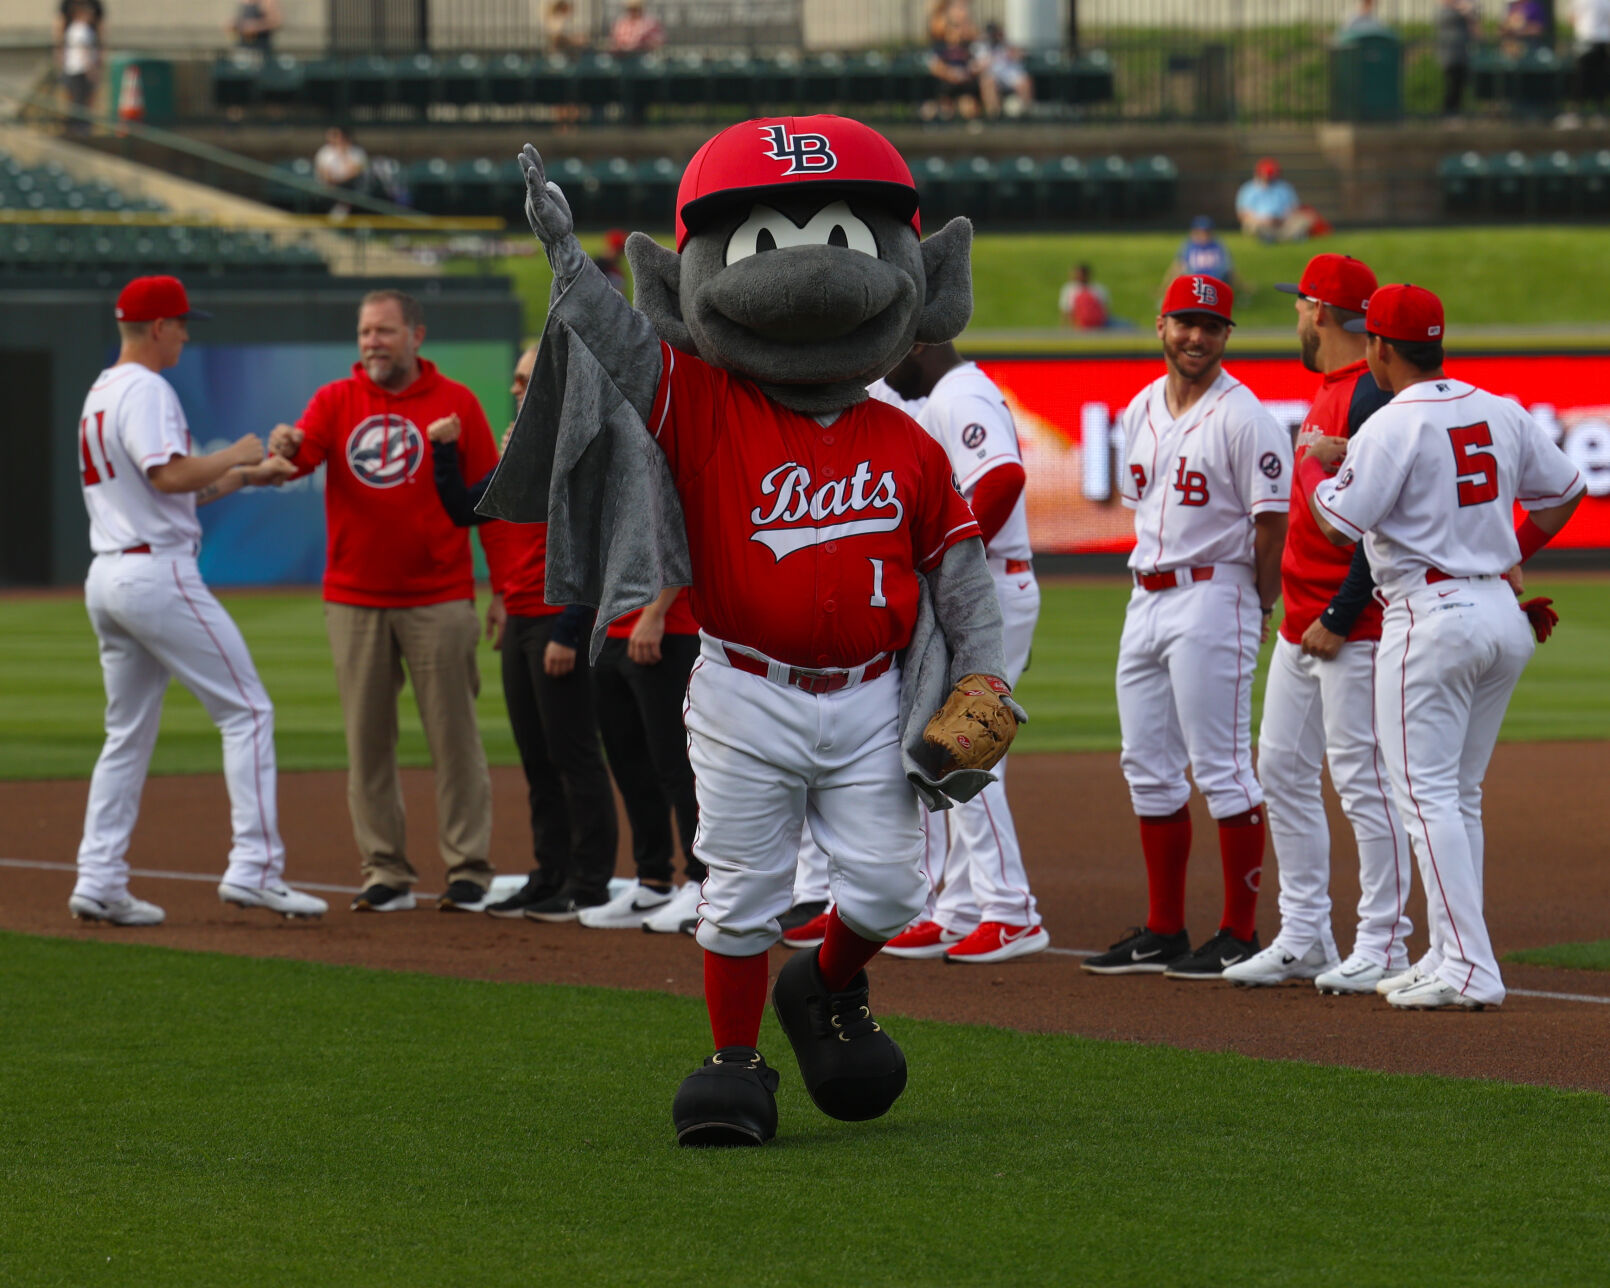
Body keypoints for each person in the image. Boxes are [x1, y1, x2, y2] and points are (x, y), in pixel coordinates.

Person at [498, 121, 1018, 1145]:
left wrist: (987, 674)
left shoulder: (902, 441)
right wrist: (565, 258)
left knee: (890, 890)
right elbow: (621, 340)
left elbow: (959, 573)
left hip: (873, 694)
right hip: (744, 690)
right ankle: (733, 1062)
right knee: (737, 894)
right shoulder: (701, 403)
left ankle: (819, 985)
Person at [1310, 283, 1585, 1009]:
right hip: (1500, 610)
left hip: (1430, 615)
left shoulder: (1392, 423)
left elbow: (1338, 526)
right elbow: (1566, 491)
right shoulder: (1496, 406)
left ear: (1379, 347)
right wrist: (1515, 549)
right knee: (1457, 797)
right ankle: (1447, 953)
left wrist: (1319, 463)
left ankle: (1469, 967)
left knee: (1427, 798)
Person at [69, 275, 327, 926]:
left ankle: (99, 879)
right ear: (156, 327)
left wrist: (245, 475)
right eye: (181, 322)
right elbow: (170, 473)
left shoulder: (102, 391)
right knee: (248, 713)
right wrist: (236, 451)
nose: (187, 332)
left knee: (125, 736)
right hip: (155, 573)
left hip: (110, 573)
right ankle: (256, 869)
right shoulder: (149, 389)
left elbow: (164, 490)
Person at [267, 290, 515, 914]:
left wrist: (505, 590)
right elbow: (300, 458)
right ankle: (384, 870)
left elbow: (492, 500)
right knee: (366, 743)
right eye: (364, 333)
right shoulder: (334, 400)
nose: (372, 342)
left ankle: (469, 871)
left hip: (439, 596)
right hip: (355, 598)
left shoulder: (455, 401)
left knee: (455, 741)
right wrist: (288, 446)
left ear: (416, 335)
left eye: (384, 330)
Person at [1083, 274, 1291, 981]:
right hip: (1146, 597)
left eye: (1211, 325)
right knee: (1146, 766)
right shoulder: (1142, 406)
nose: (1196, 336)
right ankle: (1165, 929)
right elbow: (1137, 500)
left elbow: (1272, 528)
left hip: (1215, 594)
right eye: (1185, 322)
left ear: (1228, 335)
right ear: (1161, 325)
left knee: (1225, 769)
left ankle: (1239, 930)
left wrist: (1258, 609)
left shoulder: (1247, 417)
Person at [1221, 254, 1413, 994]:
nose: (1296, 317)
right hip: (1303, 622)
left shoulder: (1368, 392)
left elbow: (1377, 522)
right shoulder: (1335, 387)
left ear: (1321, 312)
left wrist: (1340, 612)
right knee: (1285, 774)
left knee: (1363, 782)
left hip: (1347, 626)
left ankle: (1385, 941)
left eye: (1301, 305)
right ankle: (1305, 934)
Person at [426, 345, 620, 922]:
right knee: (537, 758)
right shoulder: (524, 447)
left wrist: (568, 628)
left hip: (560, 620)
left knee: (575, 756)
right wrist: (443, 451)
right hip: (522, 616)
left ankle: (589, 885)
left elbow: (595, 544)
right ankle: (550, 874)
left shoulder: (583, 445)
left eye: (526, 379)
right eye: (513, 378)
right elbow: (466, 510)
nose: (515, 388)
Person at [874, 344, 1047, 963]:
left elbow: (1002, 478)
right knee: (941, 743)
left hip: (990, 589)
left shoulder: (960, 394)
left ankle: (1011, 911)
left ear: (921, 342)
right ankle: (959, 907)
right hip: (986, 585)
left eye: (894, 348)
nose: (885, 365)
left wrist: (953, 561)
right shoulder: (946, 395)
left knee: (967, 745)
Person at [576, 585, 706, 931]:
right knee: (630, 766)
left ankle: (702, 882)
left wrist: (654, 613)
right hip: (611, 631)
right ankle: (653, 881)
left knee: (678, 764)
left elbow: (678, 548)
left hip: (667, 629)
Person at [924, 4, 982, 121]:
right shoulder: (940, 47)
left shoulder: (967, 47)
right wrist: (950, 74)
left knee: (968, 106)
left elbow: (977, 64)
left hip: (964, 86)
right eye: (955, 27)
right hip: (946, 87)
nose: (958, 31)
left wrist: (967, 72)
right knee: (938, 109)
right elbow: (935, 66)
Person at [1235, 158, 1316, 243]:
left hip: (1283, 222)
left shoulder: (1284, 187)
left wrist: (1282, 218)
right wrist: (1263, 220)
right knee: (1253, 226)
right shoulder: (1248, 189)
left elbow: (1294, 208)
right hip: (1260, 222)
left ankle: (1276, 238)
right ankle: (1284, 237)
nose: (1268, 178)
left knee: (1306, 219)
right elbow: (1243, 213)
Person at [973, 21, 1034, 118]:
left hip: (1009, 75)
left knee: (1024, 81)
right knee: (988, 81)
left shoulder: (1006, 45)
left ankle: (1026, 112)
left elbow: (1023, 54)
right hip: (992, 75)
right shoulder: (980, 46)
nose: (993, 36)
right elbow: (976, 67)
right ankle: (994, 114)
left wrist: (1013, 53)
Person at [58, 0, 99, 134]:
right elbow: (83, 51)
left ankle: (76, 129)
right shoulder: (82, 29)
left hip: (72, 69)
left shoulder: (73, 29)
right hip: (81, 70)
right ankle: (80, 130)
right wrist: (91, 70)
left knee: (76, 101)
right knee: (81, 102)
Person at [1566, 0, 1610, 124]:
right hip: (1601, 40)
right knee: (1598, 77)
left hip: (1586, 39)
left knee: (1582, 77)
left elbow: (1572, 18)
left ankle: (1575, 113)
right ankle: (1598, 113)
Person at [312, 127, 370, 215]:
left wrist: (343, 154)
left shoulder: (357, 152)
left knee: (352, 186)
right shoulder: (324, 152)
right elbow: (325, 174)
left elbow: (354, 173)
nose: (332, 139)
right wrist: (335, 183)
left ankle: (341, 208)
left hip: (352, 188)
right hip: (330, 189)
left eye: (336, 135)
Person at [1437, 0, 1478, 119]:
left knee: (1460, 83)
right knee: (1452, 83)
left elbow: (1474, 27)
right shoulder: (1445, 10)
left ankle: (1454, 113)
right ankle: (1449, 114)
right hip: (1449, 52)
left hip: (1462, 52)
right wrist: (1462, 10)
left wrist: (1468, 12)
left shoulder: (1462, 9)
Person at [1169, 215, 1235, 288]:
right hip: (1194, 281)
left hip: (1216, 281)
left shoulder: (1218, 245)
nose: (1203, 235)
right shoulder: (1189, 246)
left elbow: (1228, 267)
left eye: (1206, 232)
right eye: (1200, 232)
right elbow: (1178, 265)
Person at [1058, 264, 1112, 330]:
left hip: (1085, 324)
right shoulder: (1099, 288)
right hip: (1095, 324)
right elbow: (1106, 310)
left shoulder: (1069, 289)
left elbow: (1065, 311)